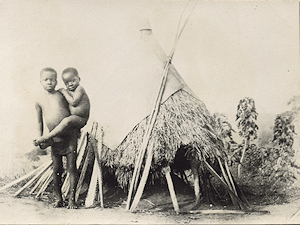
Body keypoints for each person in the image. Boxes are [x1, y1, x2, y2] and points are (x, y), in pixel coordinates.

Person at [34, 67, 78, 209]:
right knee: (57, 168)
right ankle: (59, 199)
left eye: (52, 79)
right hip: (54, 140)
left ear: (57, 81)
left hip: (69, 136)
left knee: (71, 168)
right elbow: (40, 121)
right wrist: (41, 137)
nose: (49, 82)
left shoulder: (61, 94)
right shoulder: (39, 100)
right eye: (46, 80)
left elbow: (74, 107)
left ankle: (72, 199)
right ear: (41, 81)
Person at [34, 67, 90, 146]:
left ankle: (47, 137)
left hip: (80, 118)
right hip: (74, 120)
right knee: (65, 123)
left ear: (79, 79)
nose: (70, 84)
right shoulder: (70, 91)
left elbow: (74, 102)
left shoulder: (79, 89)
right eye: (67, 83)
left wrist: (64, 91)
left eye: (73, 81)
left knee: (66, 121)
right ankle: (49, 140)